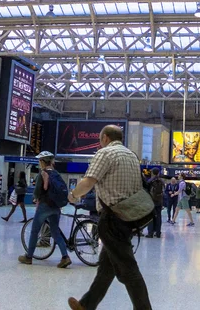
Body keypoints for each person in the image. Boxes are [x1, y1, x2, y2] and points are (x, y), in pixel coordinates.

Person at [66, 125, 152, 310]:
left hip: (112, 219)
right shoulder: (131, 156)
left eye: (99, 139)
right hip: (129, 216)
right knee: (106, 268)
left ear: (105, 138)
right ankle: (86, 305)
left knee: (128, 269)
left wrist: (73, 195)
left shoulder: (105, 154)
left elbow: (88, 182)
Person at [18, 152, 71, 268]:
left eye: (39, 161)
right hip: (56, 206)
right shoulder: (56, 174)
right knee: (55, 232)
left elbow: (37, 192)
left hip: (44, 206)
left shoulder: (43, 174)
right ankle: (65, 257)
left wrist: (35, 198)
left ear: (42, 162)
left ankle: (28, 257)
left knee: (34, 231)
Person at [144, 168, 164, 238]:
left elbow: (147, 190)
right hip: (159, 201)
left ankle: (150, 233)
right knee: (159, 217)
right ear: (158, 173)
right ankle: (158, 233)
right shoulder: (161, 181)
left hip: (151, 201)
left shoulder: (150, 181)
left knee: (151, 217)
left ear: (152, 173)